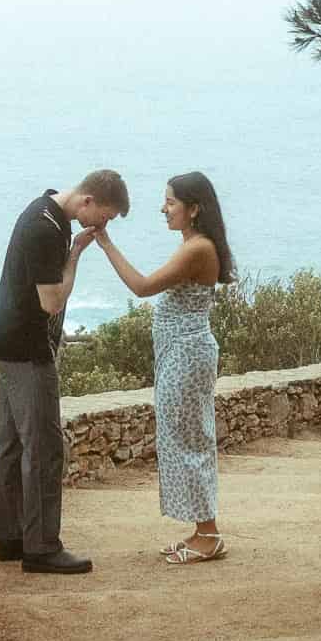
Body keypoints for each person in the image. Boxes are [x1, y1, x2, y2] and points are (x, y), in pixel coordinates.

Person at [0, 169, 129, 575]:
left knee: (12, 444)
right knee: (45, 449)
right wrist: (76, 256)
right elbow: (52, 301)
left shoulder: (46, 210)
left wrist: (75, 247)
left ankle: (12, 537)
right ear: (87, 201)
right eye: (103, 216)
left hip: (7, 342)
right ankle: (42, 546)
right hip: (29, 351)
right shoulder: (46, 230)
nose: (102, 225)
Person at [92, 170, 235, 565]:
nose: (163, 208)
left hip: (186, 356)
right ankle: (200, 530)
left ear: (194, 209)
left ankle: (208, 534)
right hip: (180, 354)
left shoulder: (197, 249)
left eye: (170, 202)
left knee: (189, 441)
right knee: (183, 438)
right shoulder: (194, 244)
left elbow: (141, 287)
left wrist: (106, 244)